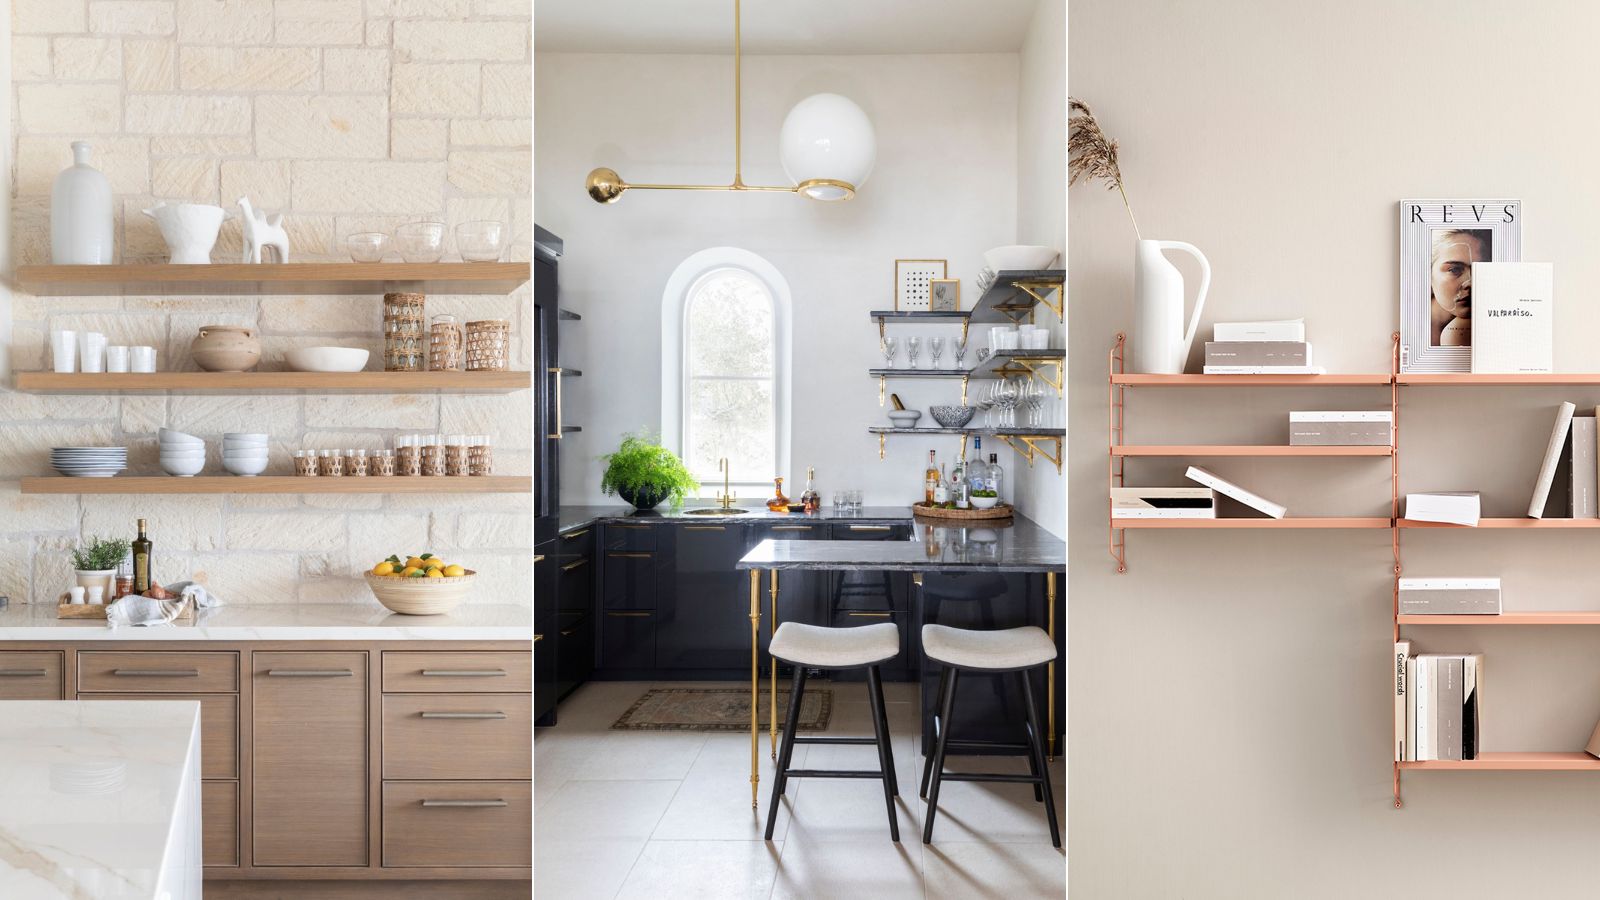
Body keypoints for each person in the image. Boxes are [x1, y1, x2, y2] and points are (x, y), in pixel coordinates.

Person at [1429, 228, 1492, 347]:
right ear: (1428, 273)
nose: (1470, 283)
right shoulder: (1408, 325)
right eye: (1454, 269)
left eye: (1480, 270)